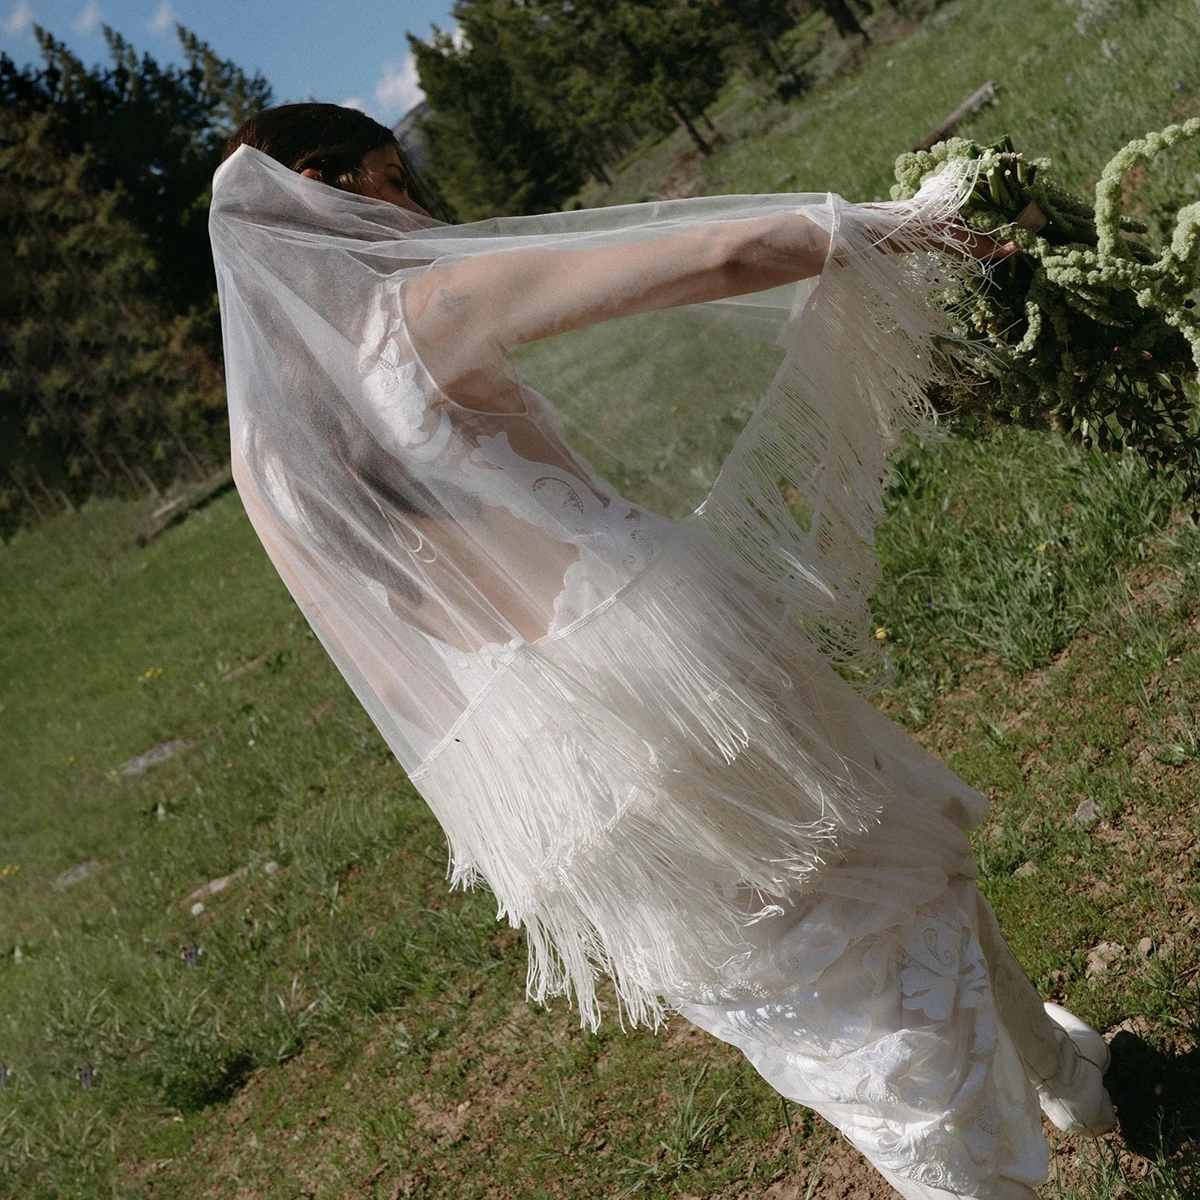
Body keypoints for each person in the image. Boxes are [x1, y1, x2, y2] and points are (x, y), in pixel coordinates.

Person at [209, 103, 1115, 1200]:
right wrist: (902, 225)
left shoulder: (265, 456)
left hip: (531, 761)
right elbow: (720, 254)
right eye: (392, 178)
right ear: (326, 187)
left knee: (811, 954)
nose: (419, 208)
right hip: (659, 670)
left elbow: (391, 667)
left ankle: (1065, 1071)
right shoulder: (415, 312)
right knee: (875, 927)